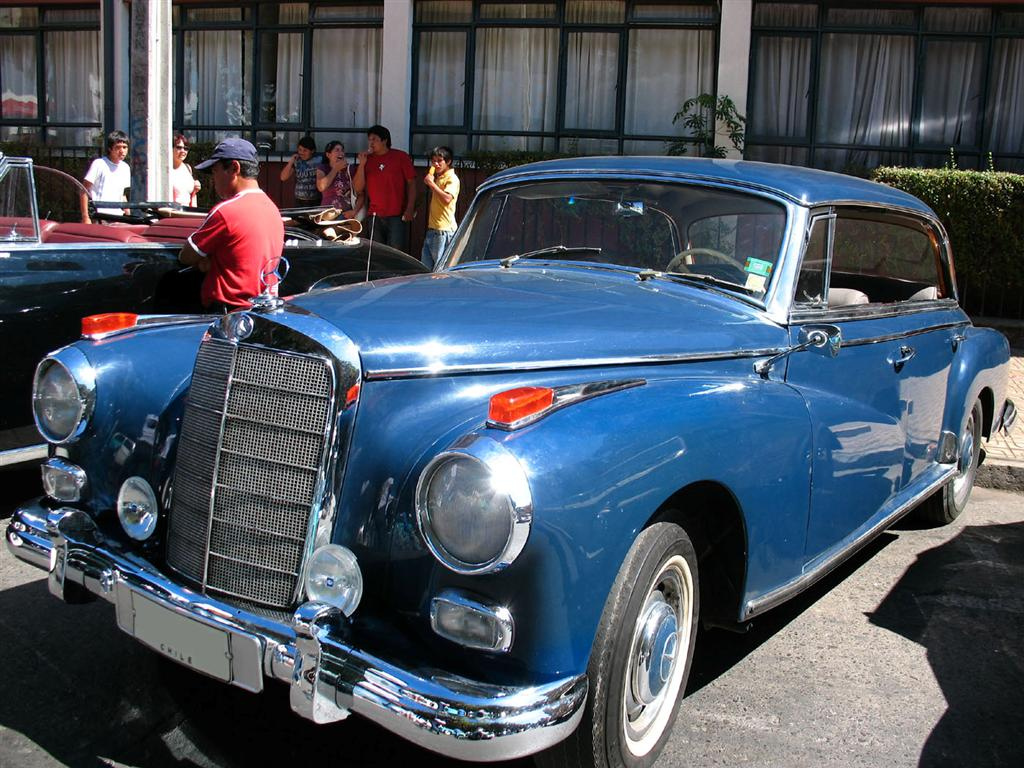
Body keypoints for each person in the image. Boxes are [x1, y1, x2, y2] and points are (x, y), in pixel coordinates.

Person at [179, 138, 284, 313]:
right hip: (264, 312)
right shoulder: (272, 209)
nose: (213, 180)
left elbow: (186, 256)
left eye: (215, 171)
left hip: (229, 316)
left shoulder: (226, 211)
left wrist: (208, 261)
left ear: (234, 168)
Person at [352, 125, 416, 251]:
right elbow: (358, 188)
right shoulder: (368, 160)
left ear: (384, 140)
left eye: (374, 139)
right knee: (376, 252)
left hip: (397, 215)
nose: (371, 143)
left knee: (396, 252)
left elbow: (412, 184)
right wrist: (362, 164)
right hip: (374, 215)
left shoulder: (401, 157)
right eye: (369, 140)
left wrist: (410, 208)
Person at [420, 146, 460, 269]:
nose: (436, 164)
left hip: (444, 231)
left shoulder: (452, 178)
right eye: (433, 161)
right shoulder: (439, 177)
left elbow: (448, 198)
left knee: (439, 270)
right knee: (426, 269)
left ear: (448, 162)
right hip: (433, 229)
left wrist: (431, 184)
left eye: (439, 161)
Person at [80, 129, 131, 223]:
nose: (122, 151)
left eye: (125, 147)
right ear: (110, 149)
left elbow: (122, 194)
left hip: (118, 217)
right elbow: (84, 190)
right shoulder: (99, 164)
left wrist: (128, 215)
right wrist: (85, 217)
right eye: (118, 147)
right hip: (100, 216)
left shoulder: (125, 167)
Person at [315, 140, 363, 218]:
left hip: (346, 214)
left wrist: (354, 211)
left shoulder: (350, 169)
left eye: (342, 150)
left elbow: (360, 193)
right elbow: (321, 187)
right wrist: (335, 169)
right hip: (328, 214)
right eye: (337, 150)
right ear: (328, 154)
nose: (341, 153)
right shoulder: (323, 168)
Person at [279, 135, 319, 208]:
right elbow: (283, 177)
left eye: (305, 150)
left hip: (315, 200)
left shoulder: (319, 161)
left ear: (312, 151)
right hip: (299, 200)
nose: (301, 153)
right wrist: (291, 161)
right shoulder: (297, 161)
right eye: (300, 150)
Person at [170, 133, 201, 207]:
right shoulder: (166, 170)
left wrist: (195, 188)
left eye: (186, 148)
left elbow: (189, 195)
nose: (183, 151)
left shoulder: (188, 168)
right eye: (179, 147)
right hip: (173, 213)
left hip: (187, 213)